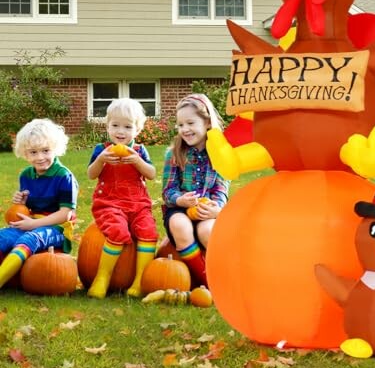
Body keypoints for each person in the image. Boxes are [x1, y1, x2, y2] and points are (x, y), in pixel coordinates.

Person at [87, 98, 157, 298]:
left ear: (137, 130)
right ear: (107, 126)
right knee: (117, 230)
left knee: (149, 231)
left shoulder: (140, 151)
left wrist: (137, 161)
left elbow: (151, 174)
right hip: (109, 203)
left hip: (137, 204)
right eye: (115, 125)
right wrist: (101, 160)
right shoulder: (102, 150)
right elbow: (91, 174)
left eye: (127, 127)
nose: (121, 131)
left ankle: (139, 280)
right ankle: (102, 277)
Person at [0, 119, 78, 289]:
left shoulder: (64, 177)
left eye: (45, 150)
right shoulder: (26, 175)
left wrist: (34, 224)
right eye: (33, 152)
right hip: (31, 222)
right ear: (25, 154)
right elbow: (28, 209)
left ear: (55, 148)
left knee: (30, 239)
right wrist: (21, 203)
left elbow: (65, 213)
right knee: (2, 237)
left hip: (58, 229)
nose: (40, 157)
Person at [162, 93, 229, 288]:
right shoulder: (174, 153)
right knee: (180, 226)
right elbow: (168, 191)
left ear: (207, 122)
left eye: (190, 123)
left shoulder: (220, 154)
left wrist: (217, 209)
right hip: (179, 208)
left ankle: (226, 273)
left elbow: (220, 188)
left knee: (208, 230)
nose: (185, 129)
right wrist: (180, 200)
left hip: (206, 209)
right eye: (181, 125)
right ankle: (207, 282)